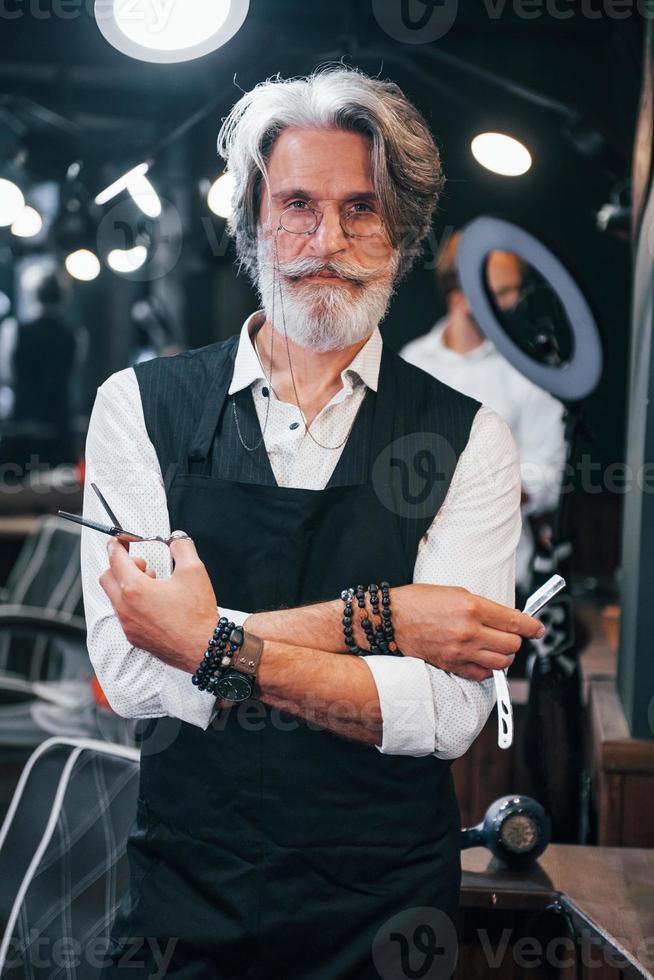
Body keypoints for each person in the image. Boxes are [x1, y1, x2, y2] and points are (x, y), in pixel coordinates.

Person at [81, 67, 545, 979]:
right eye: (296, 203)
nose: (325, 240)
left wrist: (205, 644)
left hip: (386, 917)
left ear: (401, 233)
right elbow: (131, 674)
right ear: (253, 220)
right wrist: (382, 619)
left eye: (361, 209)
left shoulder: (471, 438)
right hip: (187, 898)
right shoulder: (139, 406)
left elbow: (446, 714)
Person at [401, 231, 567, 593]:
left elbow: (547, 478)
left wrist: (468, 491)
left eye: (514, 290)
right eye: (502, 293)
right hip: (409, 582)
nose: (514, 302)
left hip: (499, 582)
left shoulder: (528, 372)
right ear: (459, 294)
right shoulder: (411, 362)